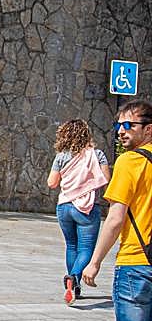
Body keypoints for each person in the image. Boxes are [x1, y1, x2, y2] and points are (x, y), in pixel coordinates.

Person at [82, 101, 152, 321]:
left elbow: (115, 219)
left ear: (148, 129)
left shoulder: (130, 162)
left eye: (130, 125)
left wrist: (93, 262)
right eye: (118, 125)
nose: (122, 131)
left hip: (136, 266)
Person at [47, 118, 110, 306]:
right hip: (87, 208)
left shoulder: (61, 156)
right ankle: (73, 279)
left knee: (71, 246)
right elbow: (106, 178)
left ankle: (74, 287)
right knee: (86, 250)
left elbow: (52, 183)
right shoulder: (97, 155)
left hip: (64, 206)